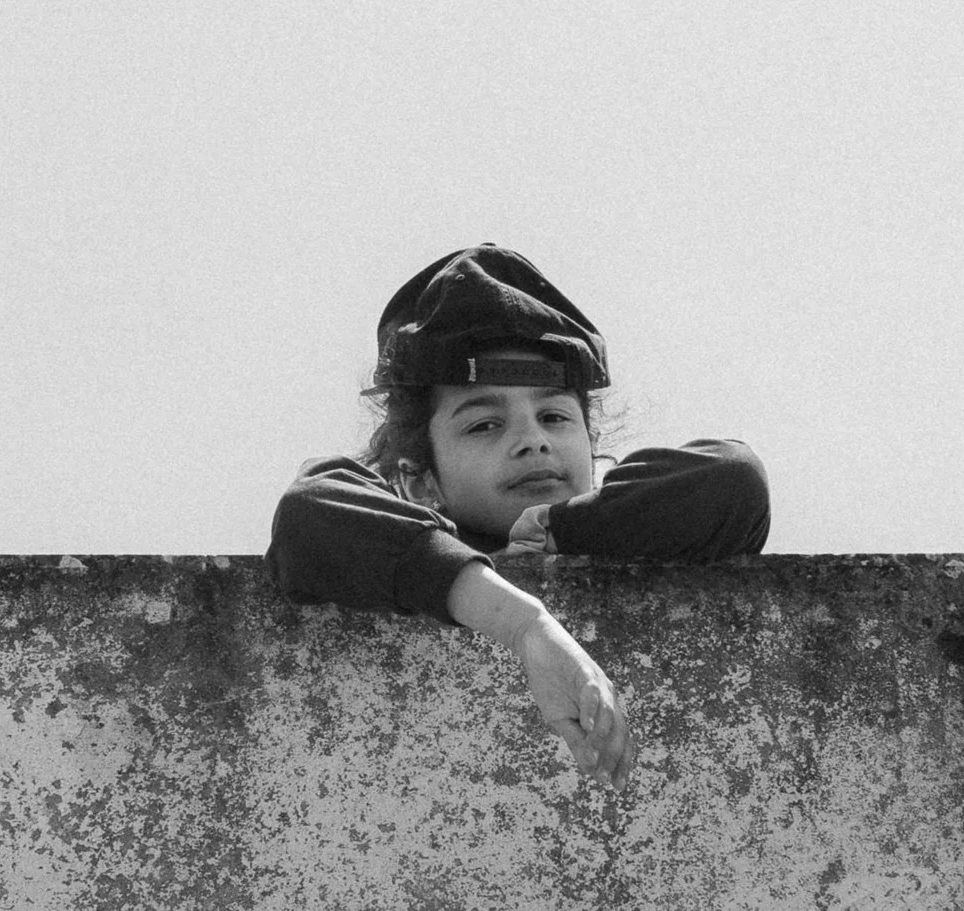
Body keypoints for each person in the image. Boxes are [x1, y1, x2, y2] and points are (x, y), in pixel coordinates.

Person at [268, 244, 770, 792]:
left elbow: (733, 478)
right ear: (418, 479)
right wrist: (524, 625)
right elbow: (309, 513)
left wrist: (561, 529)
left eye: (554, 416)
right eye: (484, 424)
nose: (532, 441)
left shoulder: (621, 525)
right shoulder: (406, 545)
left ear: (591, 441)